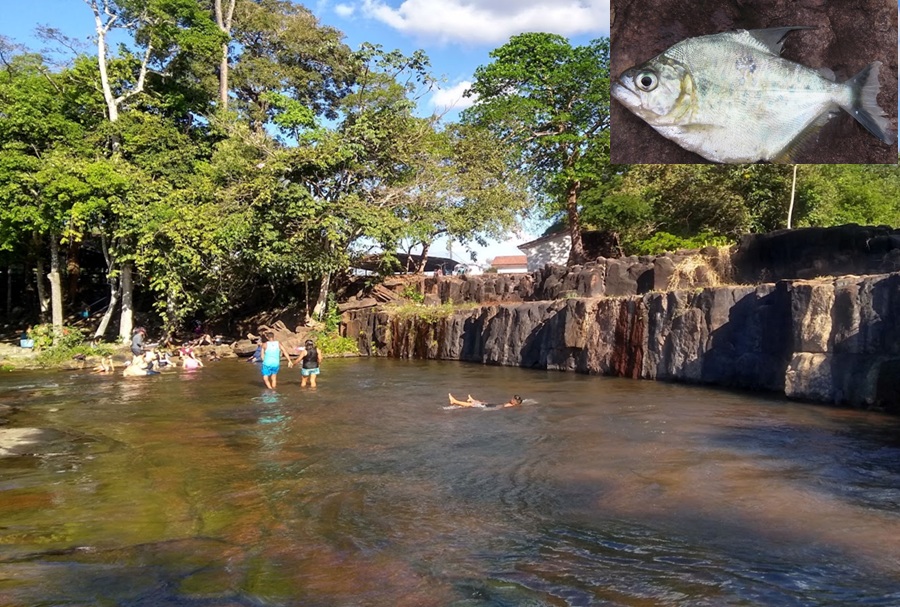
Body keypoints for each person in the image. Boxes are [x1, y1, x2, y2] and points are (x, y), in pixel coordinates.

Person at [447, 393, 523, 408]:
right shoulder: (512, 404)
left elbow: (502, 407)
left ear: (515, 402)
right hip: (495, 405)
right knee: (482, 403)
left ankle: (454, 401)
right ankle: (472, 399)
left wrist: (489, 410)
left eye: (513, 399)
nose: (511, 398)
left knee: (471, 405)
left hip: (494, 407)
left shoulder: (510, 405)